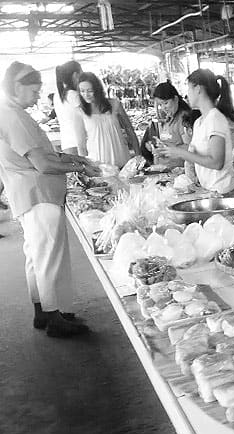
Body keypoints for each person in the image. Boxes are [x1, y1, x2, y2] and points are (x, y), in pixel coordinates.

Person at [0, 61, 101, 337]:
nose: (36, 96)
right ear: (17, 86)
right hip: (39, 195)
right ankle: (56, 316)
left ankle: (41, 311)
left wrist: (75, 158)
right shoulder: (11, 116)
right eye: (33, 91)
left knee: (35, 255)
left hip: (30, 195)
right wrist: (79, 167)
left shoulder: (14, 112)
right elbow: (43, 164)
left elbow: (44, 154)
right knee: (48, 257)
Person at [155, 69, 234, 195]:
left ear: (198, 89)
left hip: (226, 192)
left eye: (189, 88)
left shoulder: (215, 119)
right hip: (211, 192)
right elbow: (196, 155)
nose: (187, 94)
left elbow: (217, 162)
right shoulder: (199, 122)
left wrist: (180, 152)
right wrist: (169, 151)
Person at [76, 71, 140, 167]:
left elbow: (129, 129)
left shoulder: (114, 104)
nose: (86, 94)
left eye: (90, 91)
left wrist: (138, 155)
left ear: (97, 89)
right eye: (82, 91)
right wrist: (85, 167)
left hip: (121, 157)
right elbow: (81, 144)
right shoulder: (80, 111)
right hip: (97, 163)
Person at [140, 81, 191, 168]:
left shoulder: (183, 119)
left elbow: (190, 148)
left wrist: (167, 150)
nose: (163, 108)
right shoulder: (169, 118)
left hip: (178, 172)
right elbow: (169, 142)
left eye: (166, 103)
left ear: (175, 99)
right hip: (164, 170)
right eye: (160, 104)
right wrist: (155, 148)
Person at [53, 60, 83, 154]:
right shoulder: (74, 95)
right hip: (79, 145)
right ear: (75, 76)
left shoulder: (57, 95)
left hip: (67, 144)